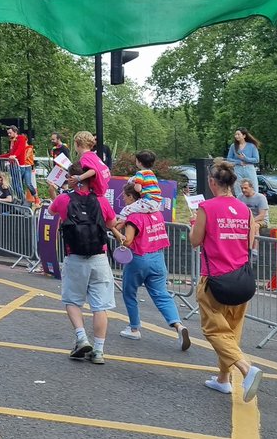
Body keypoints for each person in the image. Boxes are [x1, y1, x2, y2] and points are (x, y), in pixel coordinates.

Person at [189, 160, 263, 401]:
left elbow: (195, 241)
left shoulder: (206, 207)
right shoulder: (245, 210)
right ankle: (223, 379)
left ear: (212, 182)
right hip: (241, 279)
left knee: (214, 330)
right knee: (231, 332)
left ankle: (245, 369)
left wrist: (193, 225)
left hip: (214, 279)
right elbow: (251, 240)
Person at [50, 163, 122, 364]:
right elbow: (111, 223)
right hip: (99, 257)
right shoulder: (100, 201)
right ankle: (98, 351)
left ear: (72, 178)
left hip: (74, 258)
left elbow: (51, 209)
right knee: (100, 306)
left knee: (72, 301)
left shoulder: (64, 199)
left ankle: (81, 338)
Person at [114, 183, 190, 350]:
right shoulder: (157, 213)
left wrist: (113, 230)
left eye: (125, 197)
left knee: (129, 293)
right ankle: (178, 326)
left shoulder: (133, 217)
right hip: (158, 258)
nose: (124, 200)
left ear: (133, 198)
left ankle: (134, 328)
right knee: (162, 295)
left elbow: (127, 241)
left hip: (139, 258)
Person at [0, 125, 36, 201]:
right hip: (16, 165)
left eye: (10, 133)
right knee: (17, 184)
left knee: (21, 184)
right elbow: (11, 153)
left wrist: (14, 155)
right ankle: (22, 199)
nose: (9, 135)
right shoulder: (12, 141)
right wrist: (0, 156)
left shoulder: (21, 138)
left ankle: (25, 199)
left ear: (15, 132)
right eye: (8, 133)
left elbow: (20, 149)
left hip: (21, 165)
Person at [71, 131, 111, 198]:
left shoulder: (85, 157)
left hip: (95, 194)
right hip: (102, 191)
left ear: (77, 144)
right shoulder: (93, 155)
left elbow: (93, 171)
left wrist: (78, 178)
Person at [126, 150, 163, 215]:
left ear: (139, 163)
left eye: (136, 161)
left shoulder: (140, 173)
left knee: (126, 210)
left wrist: (134, 184)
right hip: (157, 202)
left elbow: (138, 189)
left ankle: (117, 225)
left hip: (147, 201)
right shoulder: (151, 173)